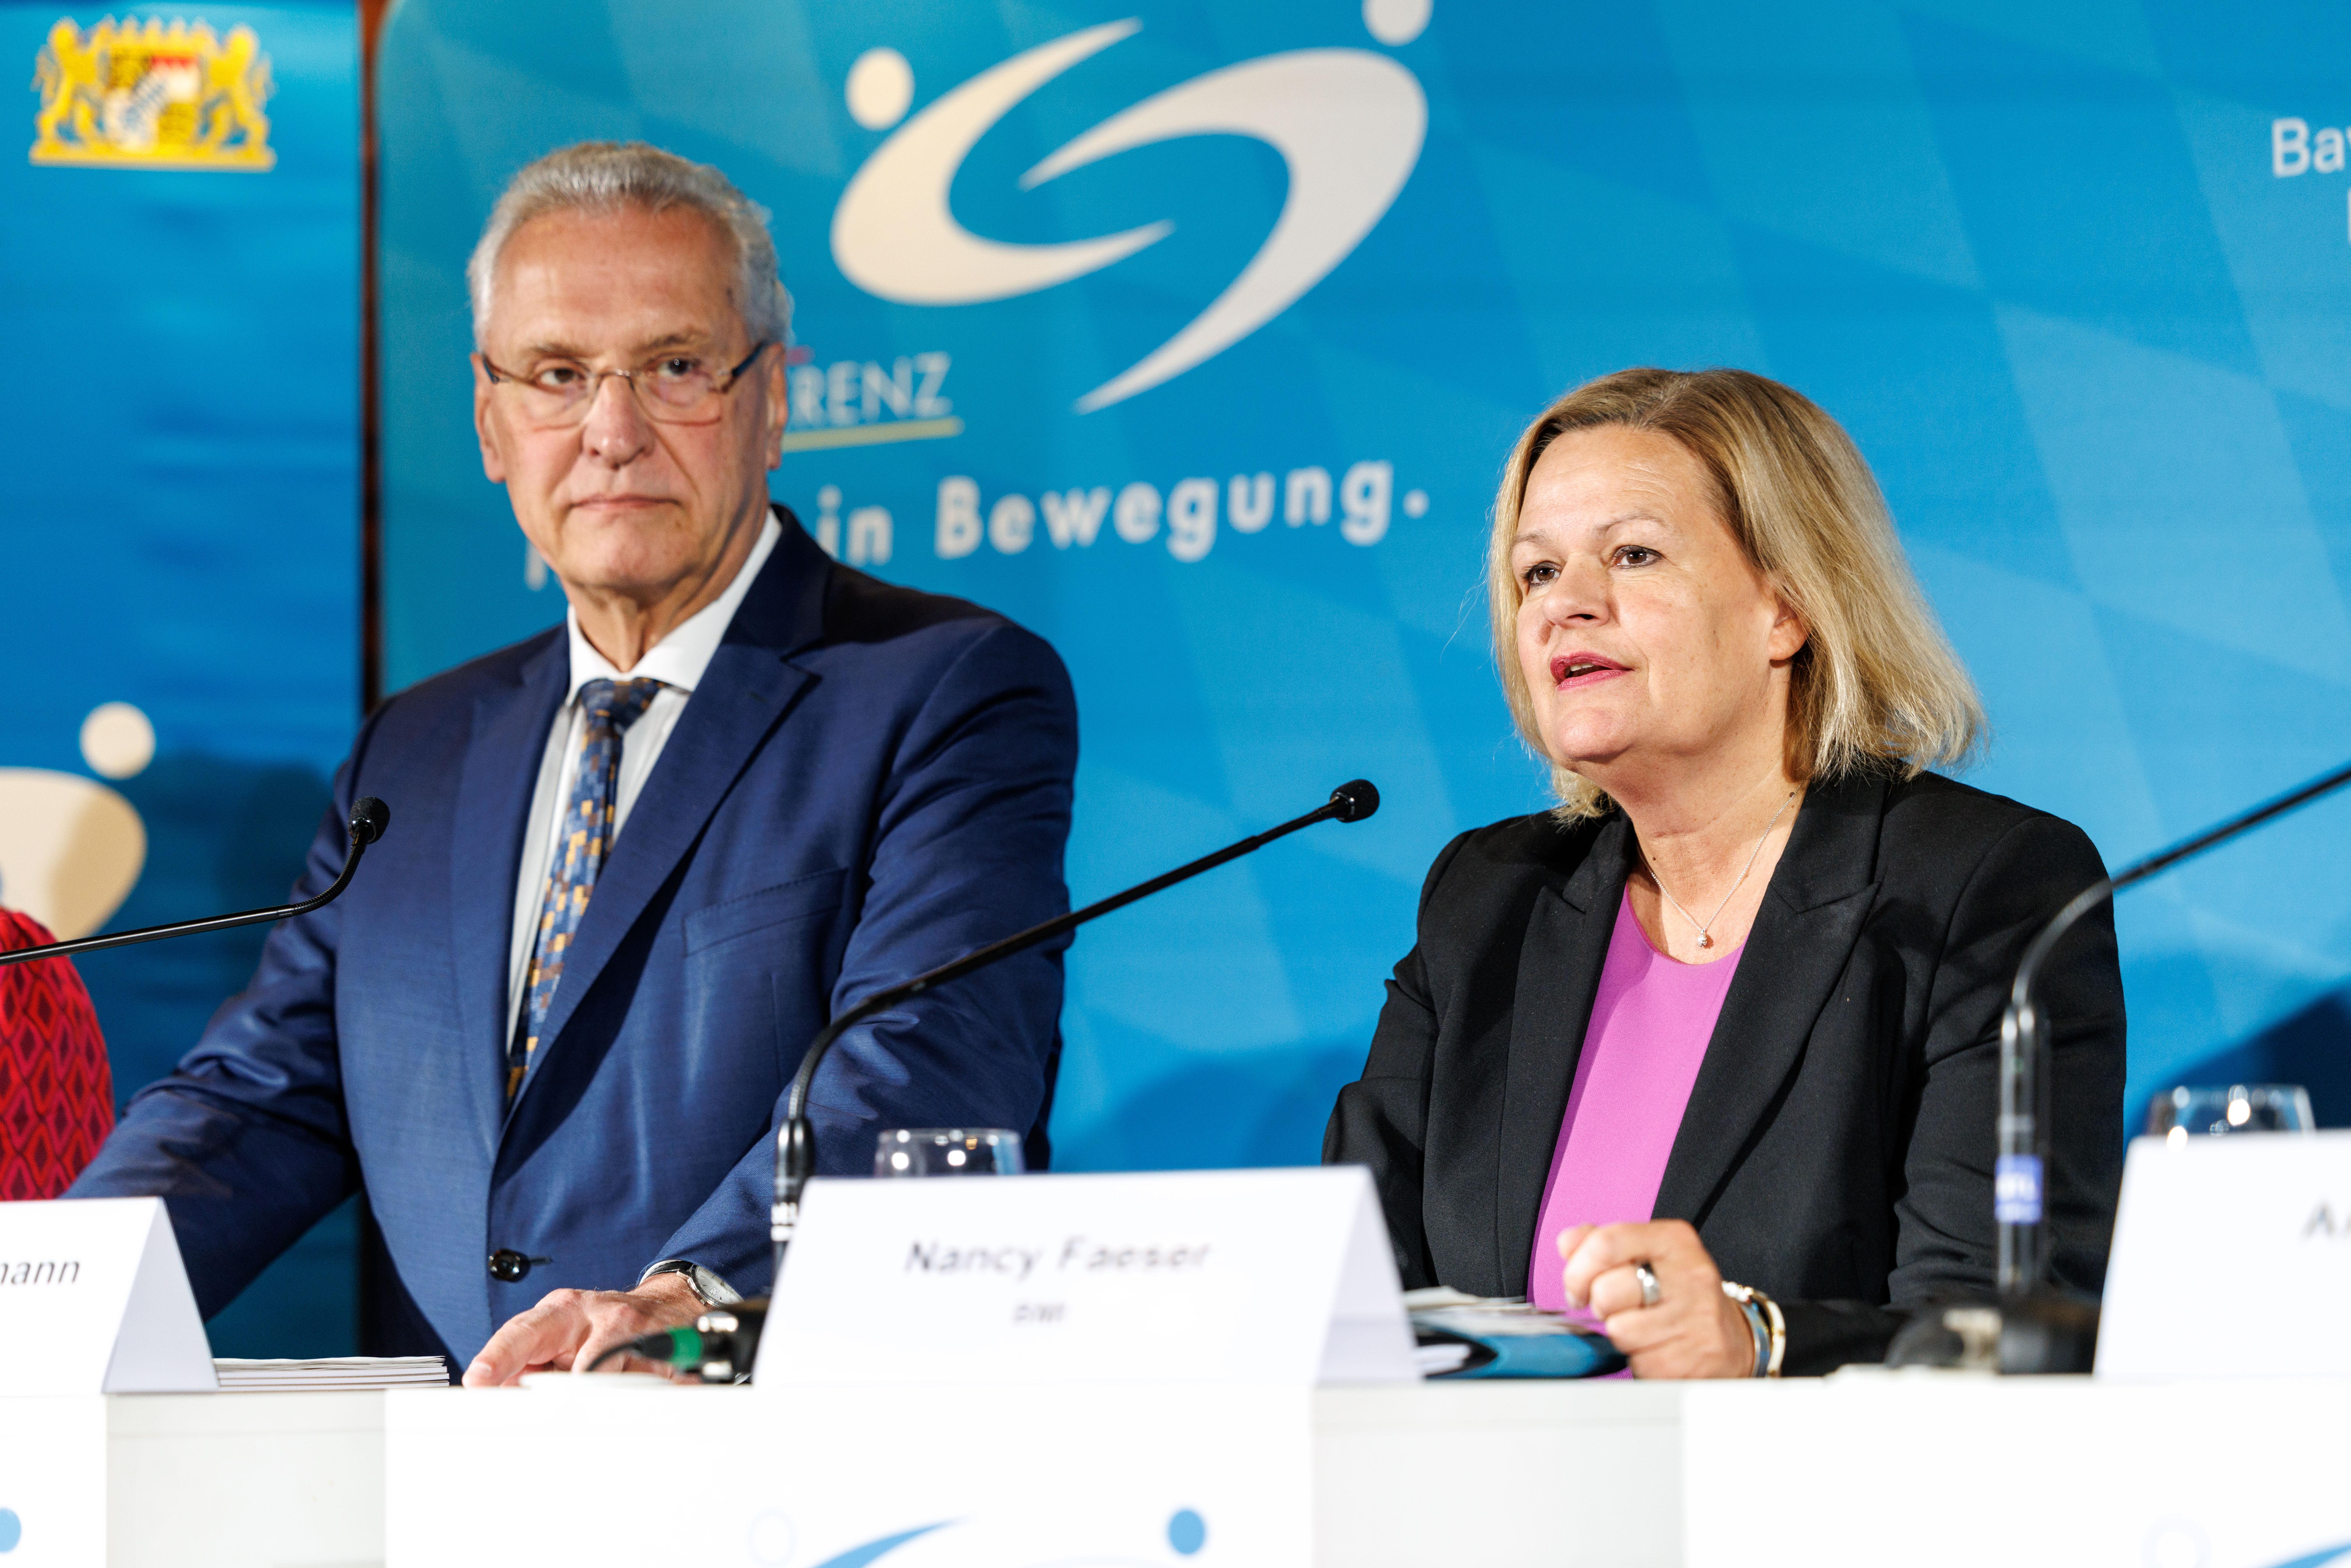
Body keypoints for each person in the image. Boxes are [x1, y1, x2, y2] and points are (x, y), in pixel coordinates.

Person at [70, 142, 1078, 1384]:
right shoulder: (418, 745)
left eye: (673, 368)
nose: (611, 433)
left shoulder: (941, 688)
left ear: (773, 401)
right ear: (493, 424)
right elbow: (263, 1094)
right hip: (457, 1481)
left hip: (779, 1453)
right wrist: (51, 1297)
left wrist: (691, 1305)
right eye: (557, 374)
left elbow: (930, 1061)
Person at [1324, 367, 2124, 1377]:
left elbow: (2005, 1324)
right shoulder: (1488, 902)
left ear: (1786, 607)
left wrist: (1759, 1341)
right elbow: (1355, 1286)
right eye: (1535, 573)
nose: (1566, 605)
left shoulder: (1979, 888)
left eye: (1633, 555)